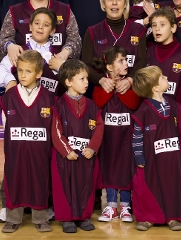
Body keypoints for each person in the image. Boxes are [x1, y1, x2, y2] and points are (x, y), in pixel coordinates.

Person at [131, 65, 181, 231]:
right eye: (163, 77)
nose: (167, 78)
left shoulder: (172, 104)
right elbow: (137, 136)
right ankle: (148, 218)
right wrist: (139, 157)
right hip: (152, 159)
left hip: (172, 159)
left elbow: (178, 125)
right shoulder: (144, 109)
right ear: (156, 87)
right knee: (150, 187)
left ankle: (173, 217)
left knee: (172, 186)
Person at [0, 50, 54, 233]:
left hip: (40, 151)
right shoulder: (10, 96)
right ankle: (13, 218)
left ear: (39, 74)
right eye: (20, 71)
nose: (22, 75)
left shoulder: (48, 97)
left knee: (40, 180)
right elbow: (5, 124)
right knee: (14, 180)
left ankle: (41, 217)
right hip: (15, 150)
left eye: (28, 71)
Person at [0, 0, 80, 73]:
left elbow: (75, 40)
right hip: (24, 78)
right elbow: (2, 42)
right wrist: (9, 45)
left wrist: (66, 51)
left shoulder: (64, 10)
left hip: (57, 77)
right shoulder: (14, 11)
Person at [51, 59, 104, 233]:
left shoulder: (92, 105)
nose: (86, 82)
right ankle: (67, 218)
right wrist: (67, 151)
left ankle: (83, 216)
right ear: (68, 82)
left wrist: (92, 148)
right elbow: (56, 131)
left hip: (86, 156)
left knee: (85, 185)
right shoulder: (58, 105)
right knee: (65, 186)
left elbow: (99, 126)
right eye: (82, 79)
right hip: (65, 157)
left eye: (87, 78)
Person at [91, 46, 140, 223]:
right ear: (110, 67)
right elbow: (98, 102)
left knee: (126, 170)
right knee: (109, 170)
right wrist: (109, 87)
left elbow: (134, 103)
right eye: (121, 61)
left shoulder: (130, 84)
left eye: (126, 60)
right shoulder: (101, 85)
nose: (126, 63)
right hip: (108, 140)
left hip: (127, 138)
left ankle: (125, 206)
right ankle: (111, 205)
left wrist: (124, 88)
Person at [82, 0, 147, 97]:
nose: (114, 3)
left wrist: (130, 80)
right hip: (101, 95)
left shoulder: (138, 30)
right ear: (103, 3)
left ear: (125, 4)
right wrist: (101, 80)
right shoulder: (92, 31)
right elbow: (86, 65)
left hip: (132, 95)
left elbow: (142, 61)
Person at [0, 8, 65, 95]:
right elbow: (0, 70)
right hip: (20, 105)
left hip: (50, 106)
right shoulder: (19, 52)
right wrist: (10, 81)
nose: (40, 27)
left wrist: (61, 68)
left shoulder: (58, 56)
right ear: (30, 26)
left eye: (46, 25)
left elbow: (74, 80)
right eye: (37, 23)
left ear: (52, 31)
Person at [146, 8, 181, 102]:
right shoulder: (149, 52)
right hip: (152, 107)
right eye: (154, 25)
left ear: (173, 28)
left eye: (162, 25)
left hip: (175, 108)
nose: (157, 29)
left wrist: (176, 108)